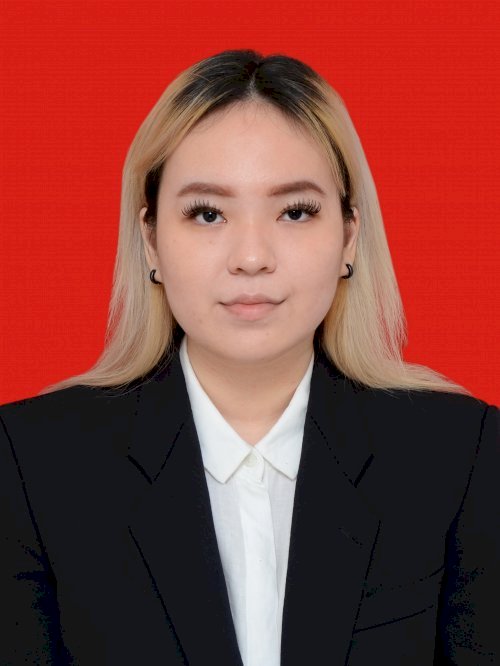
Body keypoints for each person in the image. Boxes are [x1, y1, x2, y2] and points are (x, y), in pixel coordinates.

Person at [0, 49, 498, 666]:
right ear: (151, 240)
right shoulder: (30, 463)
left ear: (348, 235)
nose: (252, 257)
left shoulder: (463, 455)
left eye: (295, 211)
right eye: (208, 213)